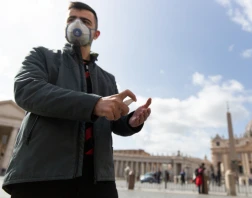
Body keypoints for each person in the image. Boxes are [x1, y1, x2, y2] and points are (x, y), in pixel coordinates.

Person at [2, 2, 151, 198]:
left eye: (85, 21)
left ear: (96, 34)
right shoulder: (42, 56)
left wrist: (130, 122)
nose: (77, 24)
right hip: (42, 174)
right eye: (72, 19)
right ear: (65, 27)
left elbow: (112, 122)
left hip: (99, 180)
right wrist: (94, 104)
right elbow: (26, 90)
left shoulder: (108, 79)